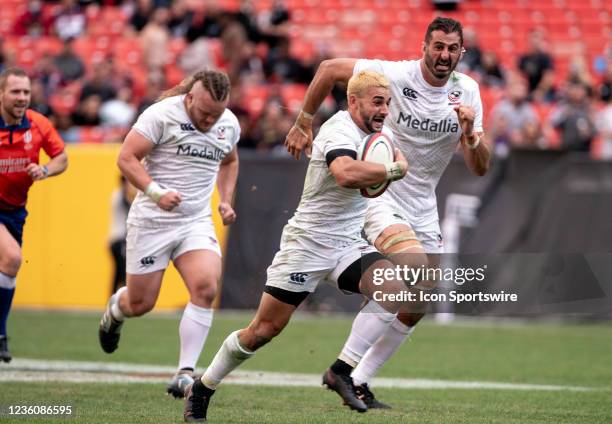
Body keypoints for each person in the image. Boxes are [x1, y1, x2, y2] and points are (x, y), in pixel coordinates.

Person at [284, 17, 490, 409]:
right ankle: (341, 369)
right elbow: (329, 70)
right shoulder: (395, 75)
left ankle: (358, 380)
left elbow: (480, 166)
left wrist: (471, 134)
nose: (444, 55)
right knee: (411, 268)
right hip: (381, 193)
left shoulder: (468, 93)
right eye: (438, 46)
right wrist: (303, 120)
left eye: (452, 48)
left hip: (423, 205)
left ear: (461, 52)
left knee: (419, 300)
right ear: (424, 46)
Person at [182, 70, 410, 421]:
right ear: (353, 101)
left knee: (394, 288)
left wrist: (394, 165)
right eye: (377, 102)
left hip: (347, 243)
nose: (384, 109)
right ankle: (204, 386)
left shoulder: (380, 134)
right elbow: (346, 174)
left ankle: (341, 370)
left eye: (388, 103)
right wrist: (394, 170)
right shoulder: (339, 130)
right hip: (307, 245)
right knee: (262, 331)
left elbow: (386, 165)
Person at [97, 69, 241, 398]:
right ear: (189, 97)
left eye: (215, 114)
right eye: (204, 112)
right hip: (152, 220)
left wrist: (226, 199)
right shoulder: (161, 115)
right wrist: (155, 191)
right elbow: (126, 157)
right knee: (141, 303)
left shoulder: (228, 122)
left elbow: (230, 161)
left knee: (206, 287)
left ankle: (185, 373)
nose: (210, 120)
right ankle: (116, 310)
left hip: (195, 220)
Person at [0, 67, 68, 362]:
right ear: (1, 93)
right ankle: (1, 333)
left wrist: (44, 170)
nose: (22, 98)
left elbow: (62, 158)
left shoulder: (38, 124)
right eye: (15, 91)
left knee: (9, 267)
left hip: (15, 213)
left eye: (26, 92)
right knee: (12, 258)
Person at [108, 175, 136, 295]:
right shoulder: (120, 196)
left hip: (116, 240)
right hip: (119, 240)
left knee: (118, 272)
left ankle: (113, 299)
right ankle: (120, 298)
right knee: (122, 272)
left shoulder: (118, 195)